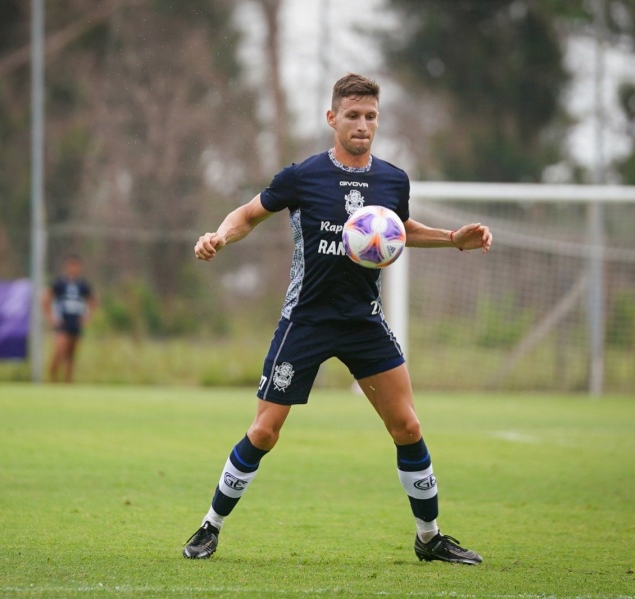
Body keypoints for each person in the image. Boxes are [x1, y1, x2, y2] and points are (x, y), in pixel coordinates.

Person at [184, 74, 493, 564]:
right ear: (332, 119)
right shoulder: (303, 176)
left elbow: (399, 230)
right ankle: (210, 526)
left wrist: (453, 238)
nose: (363, 125)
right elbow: (246, 215)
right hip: (305, 319)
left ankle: (430, 538)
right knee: (264, 432)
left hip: (362, 321)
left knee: (408, 426)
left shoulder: (393, 180)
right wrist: (218, 236)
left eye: (370, 116)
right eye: (352, 115)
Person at [42, 255, 97, 383]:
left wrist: (87, 316)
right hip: (62, 322)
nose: (74, 268)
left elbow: (94, 301)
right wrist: (50, 317)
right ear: (67, 266)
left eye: (76, 266)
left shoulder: (83, 285)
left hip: (76, 322)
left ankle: (68, 381)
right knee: (60, 350)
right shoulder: (59, 283)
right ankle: (52, 378)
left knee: (71, 354)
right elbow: (46, 299)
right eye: (71, 265)